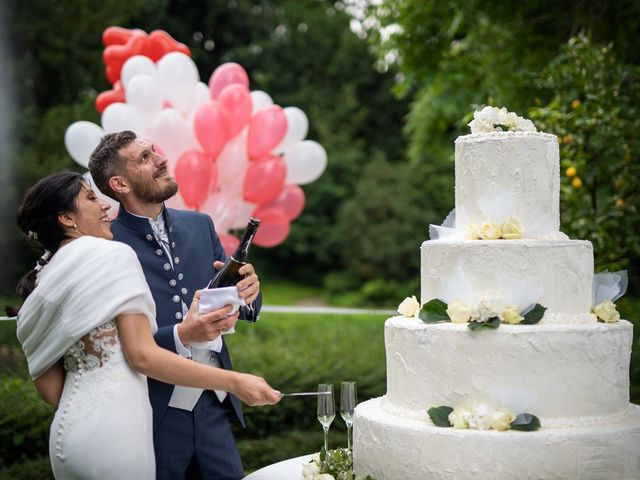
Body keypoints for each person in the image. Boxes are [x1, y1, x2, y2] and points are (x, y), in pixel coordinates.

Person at [14, 171, 281, 480]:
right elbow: (143, 356)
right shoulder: (113, 254)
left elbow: (51, 391)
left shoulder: (43, 281)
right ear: (66, 218)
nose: (104, 206)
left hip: (69, 437)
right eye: (90, 198)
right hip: (119, 434)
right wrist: (234, 381)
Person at [88, 131, 262, 480]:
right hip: (151, 411)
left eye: (154, 151)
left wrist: (249, 291)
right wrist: (180, 335)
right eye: (144, 158)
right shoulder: (105, 245)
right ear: (119, 183)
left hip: (215, 403)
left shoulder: (200, 224)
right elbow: (110, 342)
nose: (161, 159)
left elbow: (233, 293)